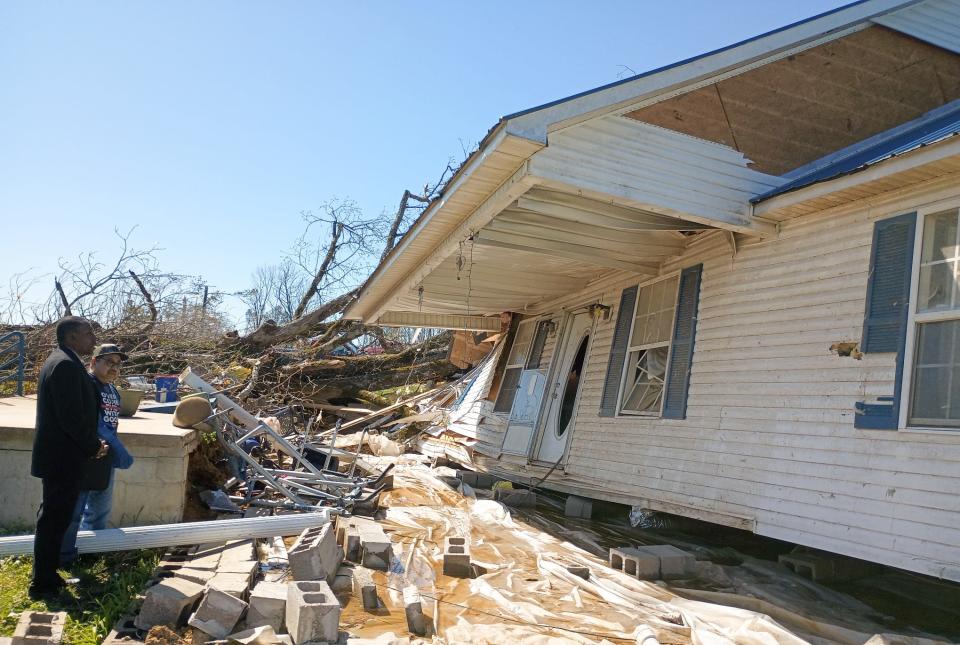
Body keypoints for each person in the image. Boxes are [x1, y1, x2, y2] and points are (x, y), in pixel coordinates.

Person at [30, 316, 109, 598]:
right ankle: (43, 584)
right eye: (88, 333)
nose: (93, 339)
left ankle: (46, 575)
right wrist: (93, 446)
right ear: (72, 337)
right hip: (62, 458)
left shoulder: (64, 361)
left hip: (60, 457)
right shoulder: (64, 365)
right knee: (54, 519)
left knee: (54, 517)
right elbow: (70, 418)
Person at [60, 344, 135, 565]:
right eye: (108, 362)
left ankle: (90, 552)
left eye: (117, 364)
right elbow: (95, 425)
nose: (114, 368)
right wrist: (122, 453)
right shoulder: (86, 386)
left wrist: (113, 452)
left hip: (105, 460)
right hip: (84, 458)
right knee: (74, 511)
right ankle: (65, 556)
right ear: (93, 363)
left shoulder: (112, 390)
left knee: (99, 510)